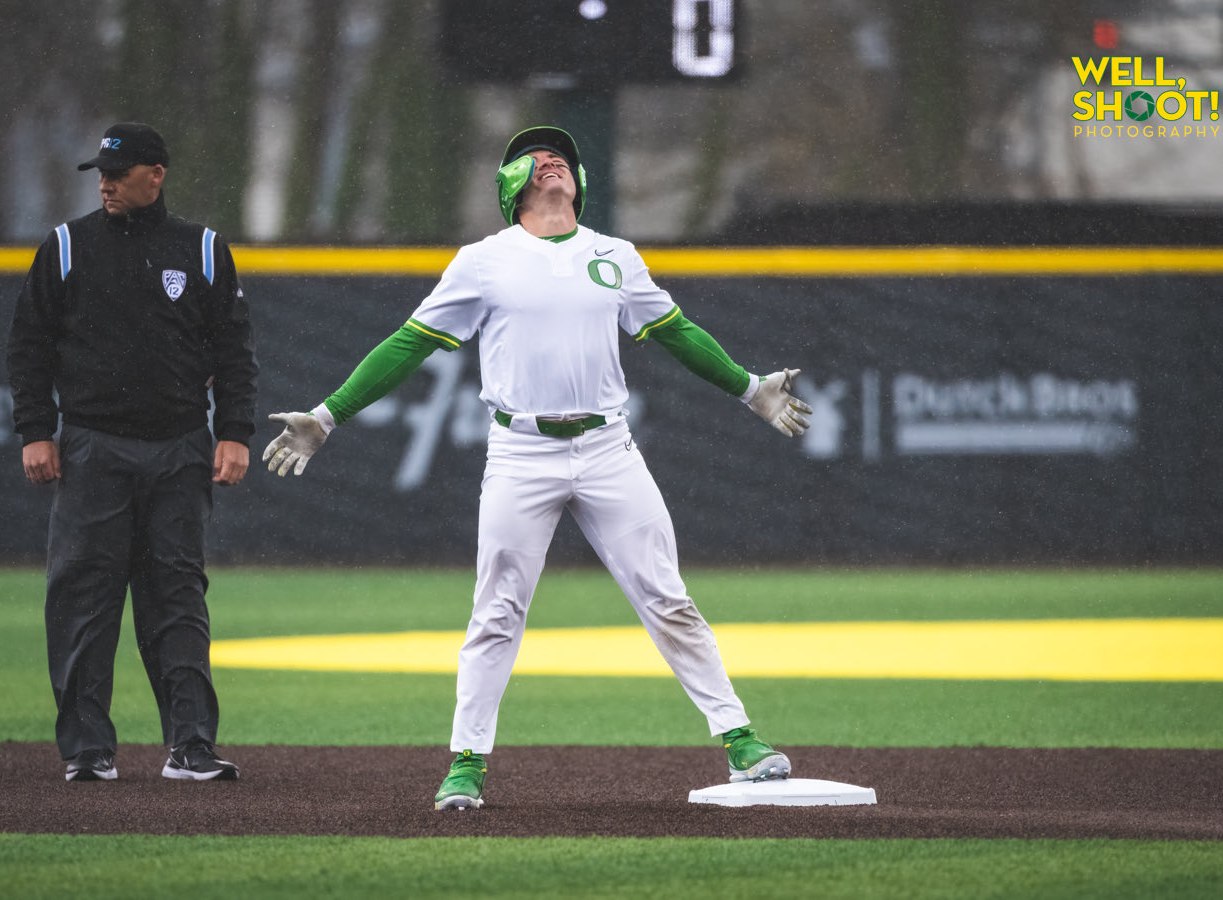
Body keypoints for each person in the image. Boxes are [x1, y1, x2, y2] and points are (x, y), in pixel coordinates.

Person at [263, 126, 812, 810]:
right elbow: (408, 345)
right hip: (522, 452)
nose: (550, 158)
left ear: (578, 181)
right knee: (496, 612)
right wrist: (328, 414)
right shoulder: (484, 261)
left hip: (609, 448)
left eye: (559, 155)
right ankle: (465, 764)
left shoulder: (615, 255)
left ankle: (740, 741)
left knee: (668, 597)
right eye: (532, 155)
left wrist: (748, 387)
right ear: (509, 187)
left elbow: (676, 332)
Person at [7, 122, 258, 783]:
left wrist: (235, 431)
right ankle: (87, 752)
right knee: (84, 599)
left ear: (157, 174)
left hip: (179, 446)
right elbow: (28, 345)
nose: (106, 183)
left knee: (177, 597)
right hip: (93, 445)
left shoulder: (202, 250)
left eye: (118, 173)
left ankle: (191, 747)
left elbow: (235, 351)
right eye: (101, 174)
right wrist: (36, 429)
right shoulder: (66, 247)